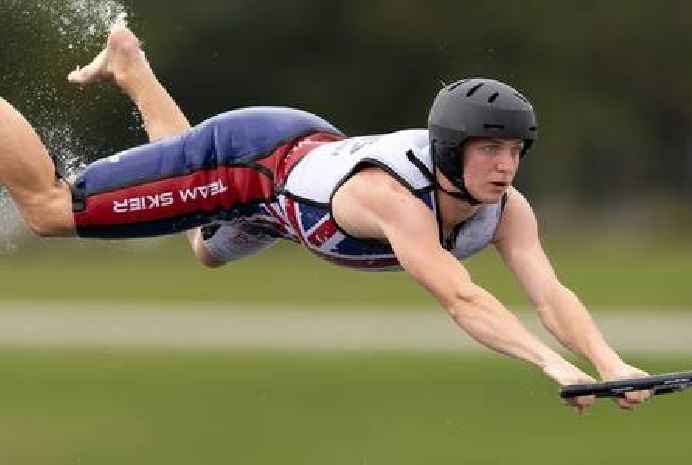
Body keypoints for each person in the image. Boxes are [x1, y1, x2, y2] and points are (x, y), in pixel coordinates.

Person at [0, 24, 651, 413]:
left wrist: (608, 359)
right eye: (490, 149)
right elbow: (460, 294)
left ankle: (130, 65)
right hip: (246, 160)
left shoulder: (505, 210)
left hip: (286, 195)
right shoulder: (395, 196)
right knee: (49, 210)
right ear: (453, 150)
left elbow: (551, 293)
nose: (506, 166)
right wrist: (549, 364)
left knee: (203, 247)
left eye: (514, 150)